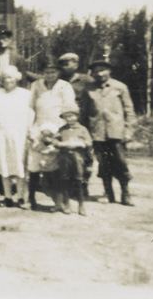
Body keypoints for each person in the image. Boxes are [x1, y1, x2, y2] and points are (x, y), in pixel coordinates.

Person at [80, 57, 137, 206]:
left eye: (102, 70)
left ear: (109, 70)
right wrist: (83, 133)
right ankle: (108, 193)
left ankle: (126, 193)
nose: (99, 74)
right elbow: (84, 114)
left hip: (116, 132)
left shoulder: (120, 87)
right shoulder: (88, 89)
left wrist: (128, 131)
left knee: (121, 163)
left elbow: (129, 111)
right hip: (97, 133)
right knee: (103, 164)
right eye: (96, 71)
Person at [26, 58, 75, 210]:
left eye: (53, 72)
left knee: (59, 168)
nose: (49, 75)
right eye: (46, 72)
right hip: (39, 127)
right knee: (34, 164)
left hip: (58, 129)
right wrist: (30, 128)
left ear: (59, 72)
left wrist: (60, 133)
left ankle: (62, 201)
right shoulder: (35, 85)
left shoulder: (65, 86)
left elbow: (69, 109)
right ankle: (31, 199)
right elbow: (30, 108)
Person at [0, 66, 33, 208]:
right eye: (5, 78)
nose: (7, 81)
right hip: (0, 132)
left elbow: (30, 114)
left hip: (19, 132)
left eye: (10, 77)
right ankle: (7, 196)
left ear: (17, 78)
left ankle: (20, 197)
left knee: (19, 165)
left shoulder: (25, 94)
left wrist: (29, 130)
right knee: (4, 164)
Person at [58, 52, 95, 198]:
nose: (66, 66)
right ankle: (68, 187)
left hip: (84, 121)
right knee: (68, 153)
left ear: (77, 64)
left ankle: (83, 185)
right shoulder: (59, 80)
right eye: (64, 63)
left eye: (70, 62)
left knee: (86, 154)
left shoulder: (86, 79)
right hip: (66, 120)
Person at [52, 107, 93, 216]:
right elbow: (54, 140)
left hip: (77, 156)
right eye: (66, 117)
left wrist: (80, 143)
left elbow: (89, 142)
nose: (69, 119)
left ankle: (81, 205)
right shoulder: (62, 129)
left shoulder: (82, 129)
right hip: (65, 157)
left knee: (78, 180)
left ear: (76, 116)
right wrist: (60, 144)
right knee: (65, 179)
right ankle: (67, 204)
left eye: (71, 116)